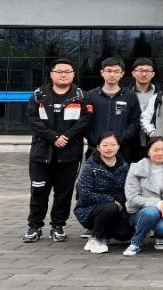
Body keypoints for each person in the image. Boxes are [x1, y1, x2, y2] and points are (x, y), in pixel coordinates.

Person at [23, 58, 92, 243]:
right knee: (39, 190)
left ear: (73, 74)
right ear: (51, 74)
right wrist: (54, 137)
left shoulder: (81, 96)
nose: (63, 75)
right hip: (41, 153)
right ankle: (34, 226)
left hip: (69, 154)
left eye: (67, 72)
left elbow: (84, 121)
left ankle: (58, 226)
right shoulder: (38, 95)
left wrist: (66, 137)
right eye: (59, 71)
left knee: (64, 192)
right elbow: (33, 120)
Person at [123, 136, 163, 256]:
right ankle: (136, 243)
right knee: (151, 212)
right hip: (140, 211)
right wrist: (158, 204)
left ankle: (159, 236)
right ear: (148, 151)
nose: (160, 153)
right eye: (156, 150)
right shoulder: (136, 168)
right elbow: (132, 197)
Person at [74, 132, 133, 254]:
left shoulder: (124, 166)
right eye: (105, 145)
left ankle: (104, 233)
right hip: (90, 209)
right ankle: (97, 239)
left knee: (125, 234)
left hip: (118, 208)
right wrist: (111, 200)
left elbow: (128, 190)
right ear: (98, 147)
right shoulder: (90, 166)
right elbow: (85, 194)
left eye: (113, 145)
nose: (109, 148)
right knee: (110, 207)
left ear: (118, 146)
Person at [84, 57, 142, 160]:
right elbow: (85, 120)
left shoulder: (130, 96)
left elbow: (135, 121)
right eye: (109, 71)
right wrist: (95, 139)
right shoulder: (91, 95)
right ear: (102, 72)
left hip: (122, 150)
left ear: (122, 73)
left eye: (116, 71)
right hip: (96, 149)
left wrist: (122, 138)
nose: (112, 75)